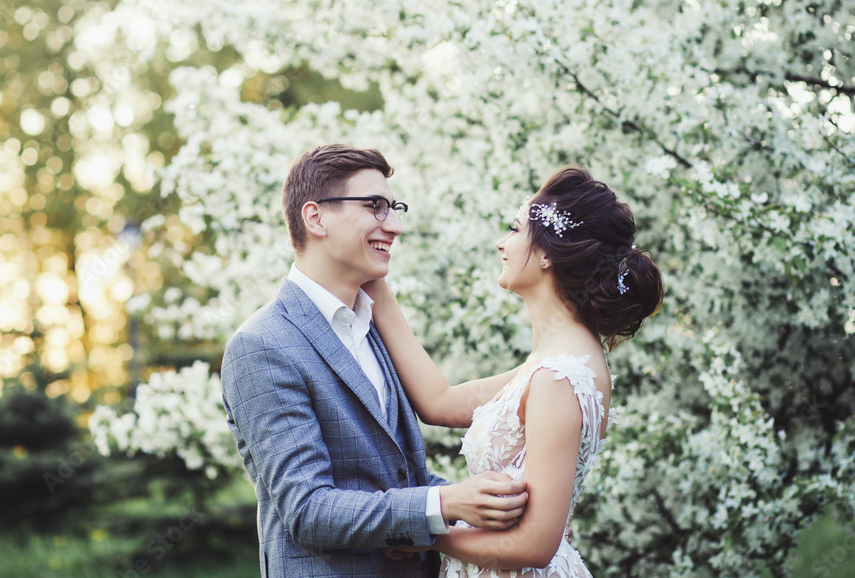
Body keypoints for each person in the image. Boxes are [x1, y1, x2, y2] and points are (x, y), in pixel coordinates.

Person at [221, 143, 530, 578]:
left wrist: (488, 503)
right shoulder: (261, 346)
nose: (396, 226)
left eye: (394, 208)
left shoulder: (372, 324)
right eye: (376, 207)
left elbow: (395, 479)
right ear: (316, 218)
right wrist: (446, 503)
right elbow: (308, 510)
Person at [366, 166, 664, 577]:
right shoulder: (556, 359)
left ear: (546, 254)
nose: (500, 242)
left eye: (514, 229)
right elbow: (440, 403)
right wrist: (376, 284)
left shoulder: (559, 376)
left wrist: (424, 530)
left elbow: (536, 544)